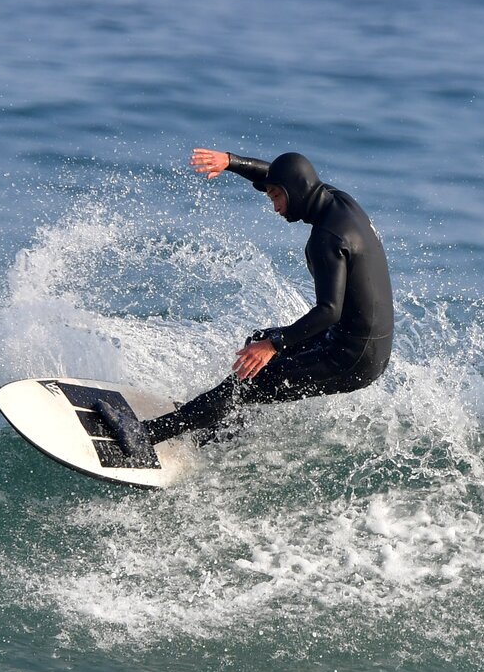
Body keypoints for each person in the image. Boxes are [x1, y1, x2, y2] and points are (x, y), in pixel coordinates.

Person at [104, 148, 394, 449]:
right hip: (358, 342)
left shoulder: (327, 239)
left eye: (276, 198)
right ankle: (226, 426)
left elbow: (329, 310)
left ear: (295, 192)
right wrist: (230, 162)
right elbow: (277, 175)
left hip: (353, 358)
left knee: (246, 382)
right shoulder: (338, 201)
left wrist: (274, 345)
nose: (275, 208)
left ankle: (144, 436)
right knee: (257, 341)